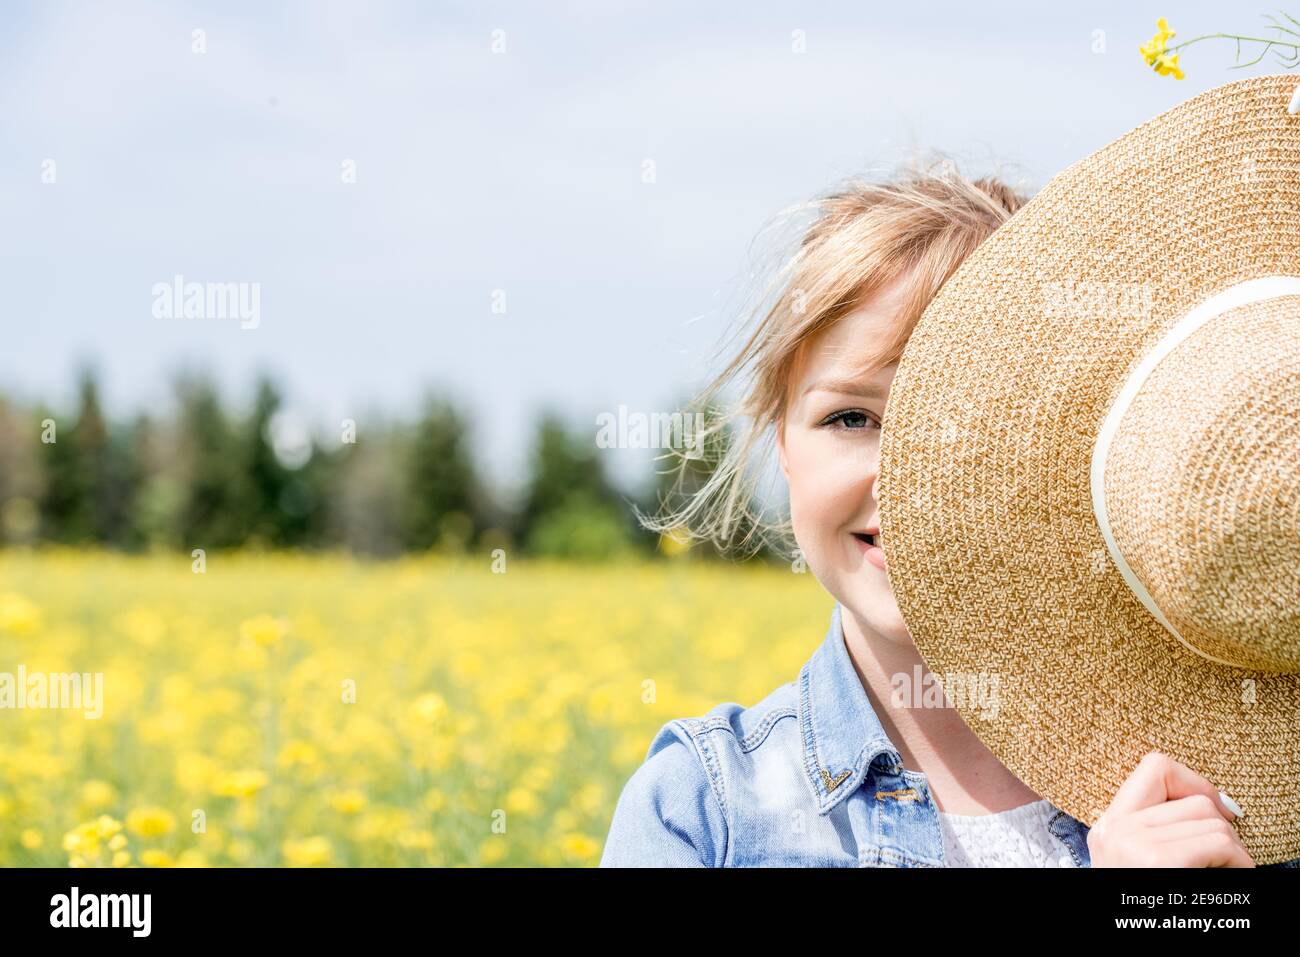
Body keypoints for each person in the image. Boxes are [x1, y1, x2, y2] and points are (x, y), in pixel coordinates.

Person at [599, 158, 1273, 868]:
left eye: (966, 419)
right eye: (852, 417)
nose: (905, 481)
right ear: (784, 447)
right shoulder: (703, 811)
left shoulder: (1224, 790)